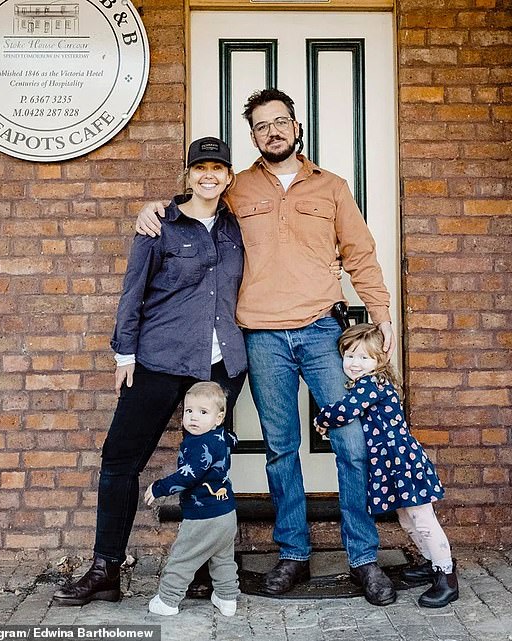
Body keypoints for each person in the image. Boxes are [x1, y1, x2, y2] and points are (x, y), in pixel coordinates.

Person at [135, 88, 397, 606]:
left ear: (296, 127)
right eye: (261, 125)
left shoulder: (333, 187)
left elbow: (361, 253)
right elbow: (196, 206)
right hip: (261, 334)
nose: (272, 131)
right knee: (281, 449)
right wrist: (156, 208)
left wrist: (382, 315)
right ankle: (293, 554)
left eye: (280, 122)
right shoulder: (238, 188)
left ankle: (364, 558)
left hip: (323, 331)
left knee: (350, 444)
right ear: (253, 136)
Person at [53, 137, 247, 606]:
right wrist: (125, 354)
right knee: (121, 460)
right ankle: (105, 569)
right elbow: (132, 290)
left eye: (217, 168)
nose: (209, 175)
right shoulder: (158, 225)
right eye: (200, 167)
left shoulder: (237, 227)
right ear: (188, 175)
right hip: (160, 357)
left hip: (222, 364)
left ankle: (202, 570)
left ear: (228, 177)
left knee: (209, 463)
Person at [314, 323, 458, 608]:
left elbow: (346, 410)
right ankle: (431, 564)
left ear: (379, 360)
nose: (355, 364)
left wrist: (322, 420)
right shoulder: (367, 382)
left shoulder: (372, 384)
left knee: (423, 519)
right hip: (391, 462)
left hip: (401, 461)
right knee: (406, 518)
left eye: (364, 358)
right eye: (350, 356)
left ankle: (447, 575)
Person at [144, 382, 240, 617]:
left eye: (203, 412)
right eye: (189, 411)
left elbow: (190, 475)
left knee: (183, 557)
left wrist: (159, 488)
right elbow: (233, 440)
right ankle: (228, 599)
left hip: (203, 516)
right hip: (227, 513)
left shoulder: (199, 444)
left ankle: (167, 600)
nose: (194, 417)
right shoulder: (222, 437)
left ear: (218, 418)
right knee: (223, 558)